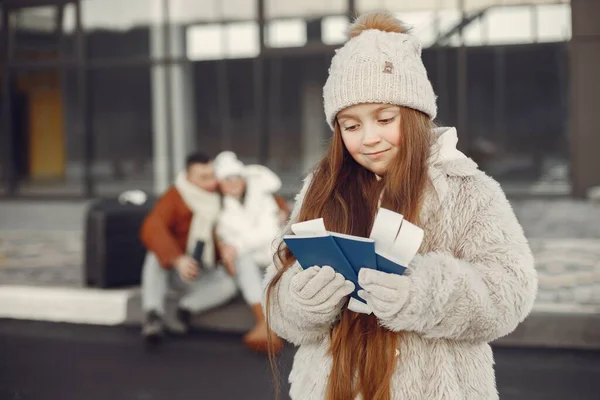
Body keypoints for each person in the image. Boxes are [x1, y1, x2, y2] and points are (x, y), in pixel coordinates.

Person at [263, 12, 537, 400]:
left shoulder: (466, 189)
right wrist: (301, 300)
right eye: (351, 125)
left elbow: (511, 291)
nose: (369, 138)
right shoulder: (321, 188)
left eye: (384, 118)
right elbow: (276, 298)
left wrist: (422, 292)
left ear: (415, 116)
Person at [139, 152, 237, 344]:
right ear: (188, 177)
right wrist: (177, 259)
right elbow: (152, 226)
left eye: (212, 175)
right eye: (203, 177)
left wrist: (281, 212)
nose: (210, 182)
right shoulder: (176, 195)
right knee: (154, 256)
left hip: (207, 268)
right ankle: (153, 315)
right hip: (178, 268)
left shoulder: (221, 192)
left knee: (228, 286)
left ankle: (184, 309)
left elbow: (256, 196)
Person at [213, 151, 287, 352]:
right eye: (226, 179)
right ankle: (263, 321)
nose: (233, 183)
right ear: (219, 183)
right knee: (242, 260)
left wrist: (236, 244)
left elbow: (269, 232)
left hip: (273, 254)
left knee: (243, 254)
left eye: (236, 177)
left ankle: (267, 326)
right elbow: (224, 236)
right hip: (250, 262)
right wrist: (234, 247)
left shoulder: (261, 195)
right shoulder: (219, 206)